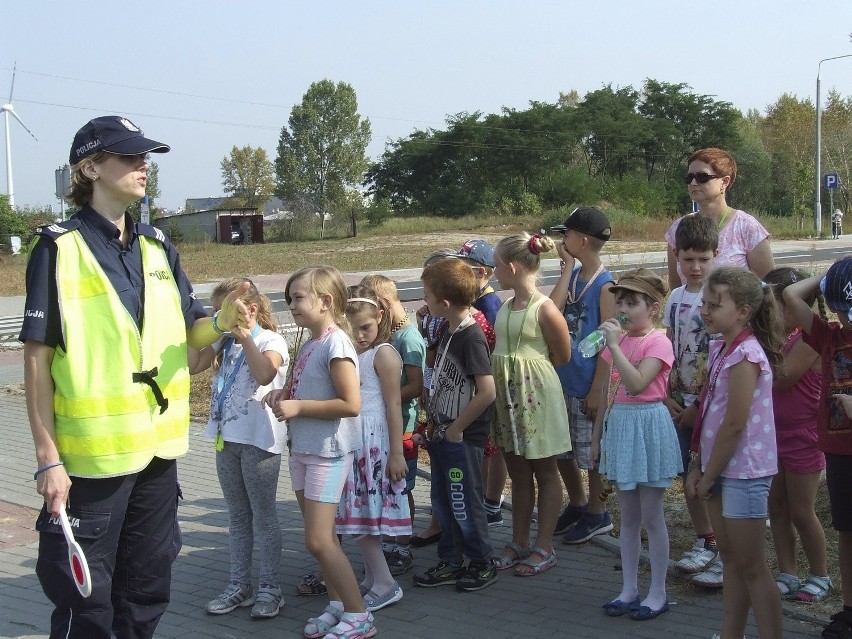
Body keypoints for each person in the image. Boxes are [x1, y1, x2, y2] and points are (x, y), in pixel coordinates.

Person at [21, 115, 250, 639]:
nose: (142, 165)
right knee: (86, 600)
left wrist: (220, 325)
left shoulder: (157, 247)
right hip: (91, 464)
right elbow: (37, 360)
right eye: (128, 157)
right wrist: (47, 458)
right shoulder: (58, 248)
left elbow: (190, 334)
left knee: (146, 591)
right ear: (92, 167)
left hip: (158, 457)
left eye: (145, 157)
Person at [265, 266, 374, 639]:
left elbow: (350, 403)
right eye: (289, 298)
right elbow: (310, 391)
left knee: (319, 540)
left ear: (325, 301)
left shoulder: (336, 343)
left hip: (328, 452)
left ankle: (359, 616)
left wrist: (298, 408)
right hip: (304, 449)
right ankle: (338, 605)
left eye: (298, 298)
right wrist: (284, 397)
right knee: (319, 540)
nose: (291, 305)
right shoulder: (310, 341)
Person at [686, 266, 784, 639]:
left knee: (751, 565)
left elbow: (734, 423)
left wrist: (708, 474)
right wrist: (698, 465)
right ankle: (732, 633)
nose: (705, 311)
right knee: (729, 559)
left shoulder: (746, 354)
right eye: (705, 303)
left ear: (743, 311)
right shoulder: (722, 347)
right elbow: (709, 410)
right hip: (719, 468)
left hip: (743, 471)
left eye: (715, 305)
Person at [189, 278, 289, 619]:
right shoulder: (223, 342)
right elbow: (191, 365)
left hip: (259, 443)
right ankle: (239, 585)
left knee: (263, 517)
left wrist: (245, 335)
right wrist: (197, 330)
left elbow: (264, 374)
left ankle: (270, 588)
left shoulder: (271, 339)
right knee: (238, 516)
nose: (223, 319)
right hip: (226, 439)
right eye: (218, 313)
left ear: (252, 310)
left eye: (228, 312)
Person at [592, 269, 681, 621]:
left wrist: (614, 345)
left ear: (653, 308)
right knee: (627, 518)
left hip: (648, 424)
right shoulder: (619, 341)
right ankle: (629, 588)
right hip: (621, 426)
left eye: (632, 303)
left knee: (652, 516)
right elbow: (607, 391)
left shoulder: (657, 342)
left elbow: (639, 384)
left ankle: (657, 592)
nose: (623, 309)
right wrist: (598, 436)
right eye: (620, 302)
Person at [412, 258, 498, 592]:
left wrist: (458, 428)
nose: (424, 301)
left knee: (464, 501)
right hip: (444, 436)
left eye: (427, 296)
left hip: (462, 440)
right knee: (444, 500)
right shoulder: (450, 329)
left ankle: (481, 561)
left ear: (444, 303)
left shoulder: (471, 337)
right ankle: (450, 560)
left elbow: (487, 391)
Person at [491, 233, 572, 576]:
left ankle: (545, 546)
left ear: (511, 267)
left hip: (535, 399)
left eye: (496, 266)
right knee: (518, 472)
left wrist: (528, 375)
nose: (494, 273)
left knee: (545, 471)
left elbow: (562, 355)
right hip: (508, 403)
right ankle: (519, 540)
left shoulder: (545, 309)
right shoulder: (507, 306)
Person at [783, 257, 852, 639]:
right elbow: (792, 295)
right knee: (847, 531)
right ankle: (849, 611)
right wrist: (828, 277)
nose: (847, 320)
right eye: (843, 312)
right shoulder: (831, 336)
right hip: (841, 451)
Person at [337, 286, 410, 613]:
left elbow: (394, 405)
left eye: (365, 328)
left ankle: (385, 583)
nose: (359, 335)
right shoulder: (353, 353)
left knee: (363, 516)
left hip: (375, 445)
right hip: (355, 441)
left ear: (380, 317)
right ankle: (371, 576)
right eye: (352, 330)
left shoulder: (384, 354)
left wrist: (396, 452)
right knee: (359, 515)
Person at [549, 206, 616, 544]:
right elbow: (550, 311)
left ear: (583, 240)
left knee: (591, 454)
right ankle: (577, 503)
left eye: (567, 235)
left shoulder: (606, 286)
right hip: (562, 378)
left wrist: (598, 391)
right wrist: (566, 270)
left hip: (586, 382)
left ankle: (597, 512)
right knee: (562, 450)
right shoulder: (573, 276)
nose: (562, 240)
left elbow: (608, 343)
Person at [662, 214, 722, 587]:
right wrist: (667, 395)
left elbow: (723, 352)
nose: (695, 267)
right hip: (678, 400)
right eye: (688, 259)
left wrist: (700, 403)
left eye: (703, 259)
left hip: (710, 402)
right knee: (688, 477)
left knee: (712, 476)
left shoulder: (719, 296)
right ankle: (707, 540)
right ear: (678, 259)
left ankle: (725, 547)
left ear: (716, 255)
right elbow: (669, 344)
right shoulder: (675, 297)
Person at [764, 267, 830, 604]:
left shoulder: (809, 340)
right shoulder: (777, 338)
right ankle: (788, 572)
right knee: (777, 505)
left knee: (802, 511)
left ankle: (820, 574)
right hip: (775, 434)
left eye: (774, 306)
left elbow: (783, 377)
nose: (769, 313)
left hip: (804, 436)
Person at [360, 274, 425, 577]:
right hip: (380, 428)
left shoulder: (407, 338)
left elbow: (415, 386)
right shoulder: (388, 336)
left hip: (403, 428)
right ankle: (389, 538)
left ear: (383, 306)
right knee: (386, 484)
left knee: (402, 486)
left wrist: (378, 398)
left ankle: (402, 544)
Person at [454, 239, 508, 529]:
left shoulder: (489, 304)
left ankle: (492, 502)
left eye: (466, 268)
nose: (459, 273)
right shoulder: (473, 300)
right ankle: (484, 499)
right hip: (471, 385)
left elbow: (493, 348)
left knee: (493, 447)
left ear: (484, 273)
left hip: (487, 386)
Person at [665, 147, 774, 291]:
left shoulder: (747, 227)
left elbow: (769, 288)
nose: (693, 183)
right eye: (689, 177)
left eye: (702, 177)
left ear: (724, 182)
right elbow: (676, 290)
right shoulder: (678, 228)